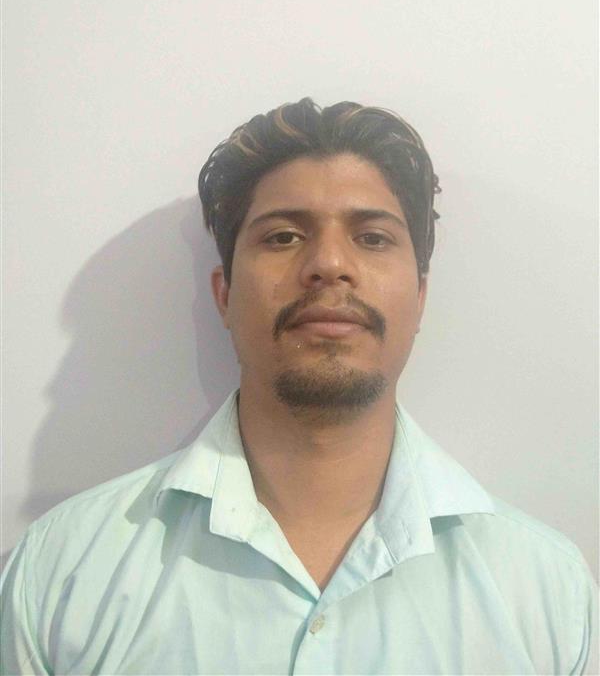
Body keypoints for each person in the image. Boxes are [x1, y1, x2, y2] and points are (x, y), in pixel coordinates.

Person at [1, 98, 597, 675]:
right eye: (284, 236)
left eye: (372, 237)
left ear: (420, 297)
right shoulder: (62, 572)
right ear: (225, 296)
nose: (329, 264)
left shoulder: (548, 594)